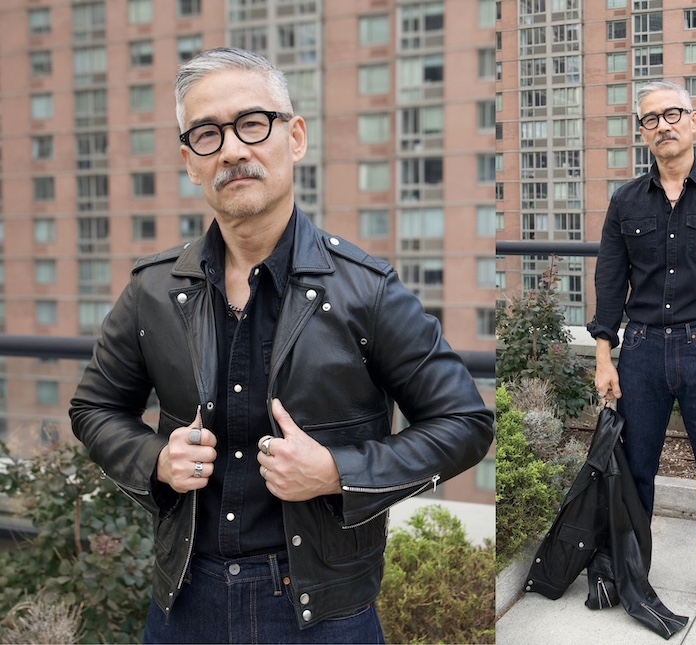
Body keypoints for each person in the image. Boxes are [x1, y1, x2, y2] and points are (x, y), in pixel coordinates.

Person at [69, 46, 494, 645]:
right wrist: (156, 461)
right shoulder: (153, 290)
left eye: (252, 123)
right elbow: (94, 408)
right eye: (208, 134)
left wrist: (337, 472)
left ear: (294, 137)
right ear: (189, 161)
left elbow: (464, 422)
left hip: (325, 609)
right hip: (185, 602)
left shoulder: (366, 289)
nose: (234, 150)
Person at [586, 79, 696, 629]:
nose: (662, 125)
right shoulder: (624, 202)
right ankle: (625, 570)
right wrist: (603, 357)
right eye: (650, 119)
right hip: (638, 352)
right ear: (643, 134)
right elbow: (610, 286)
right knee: (633, 472)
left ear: (694, 121)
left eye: (672, 114)